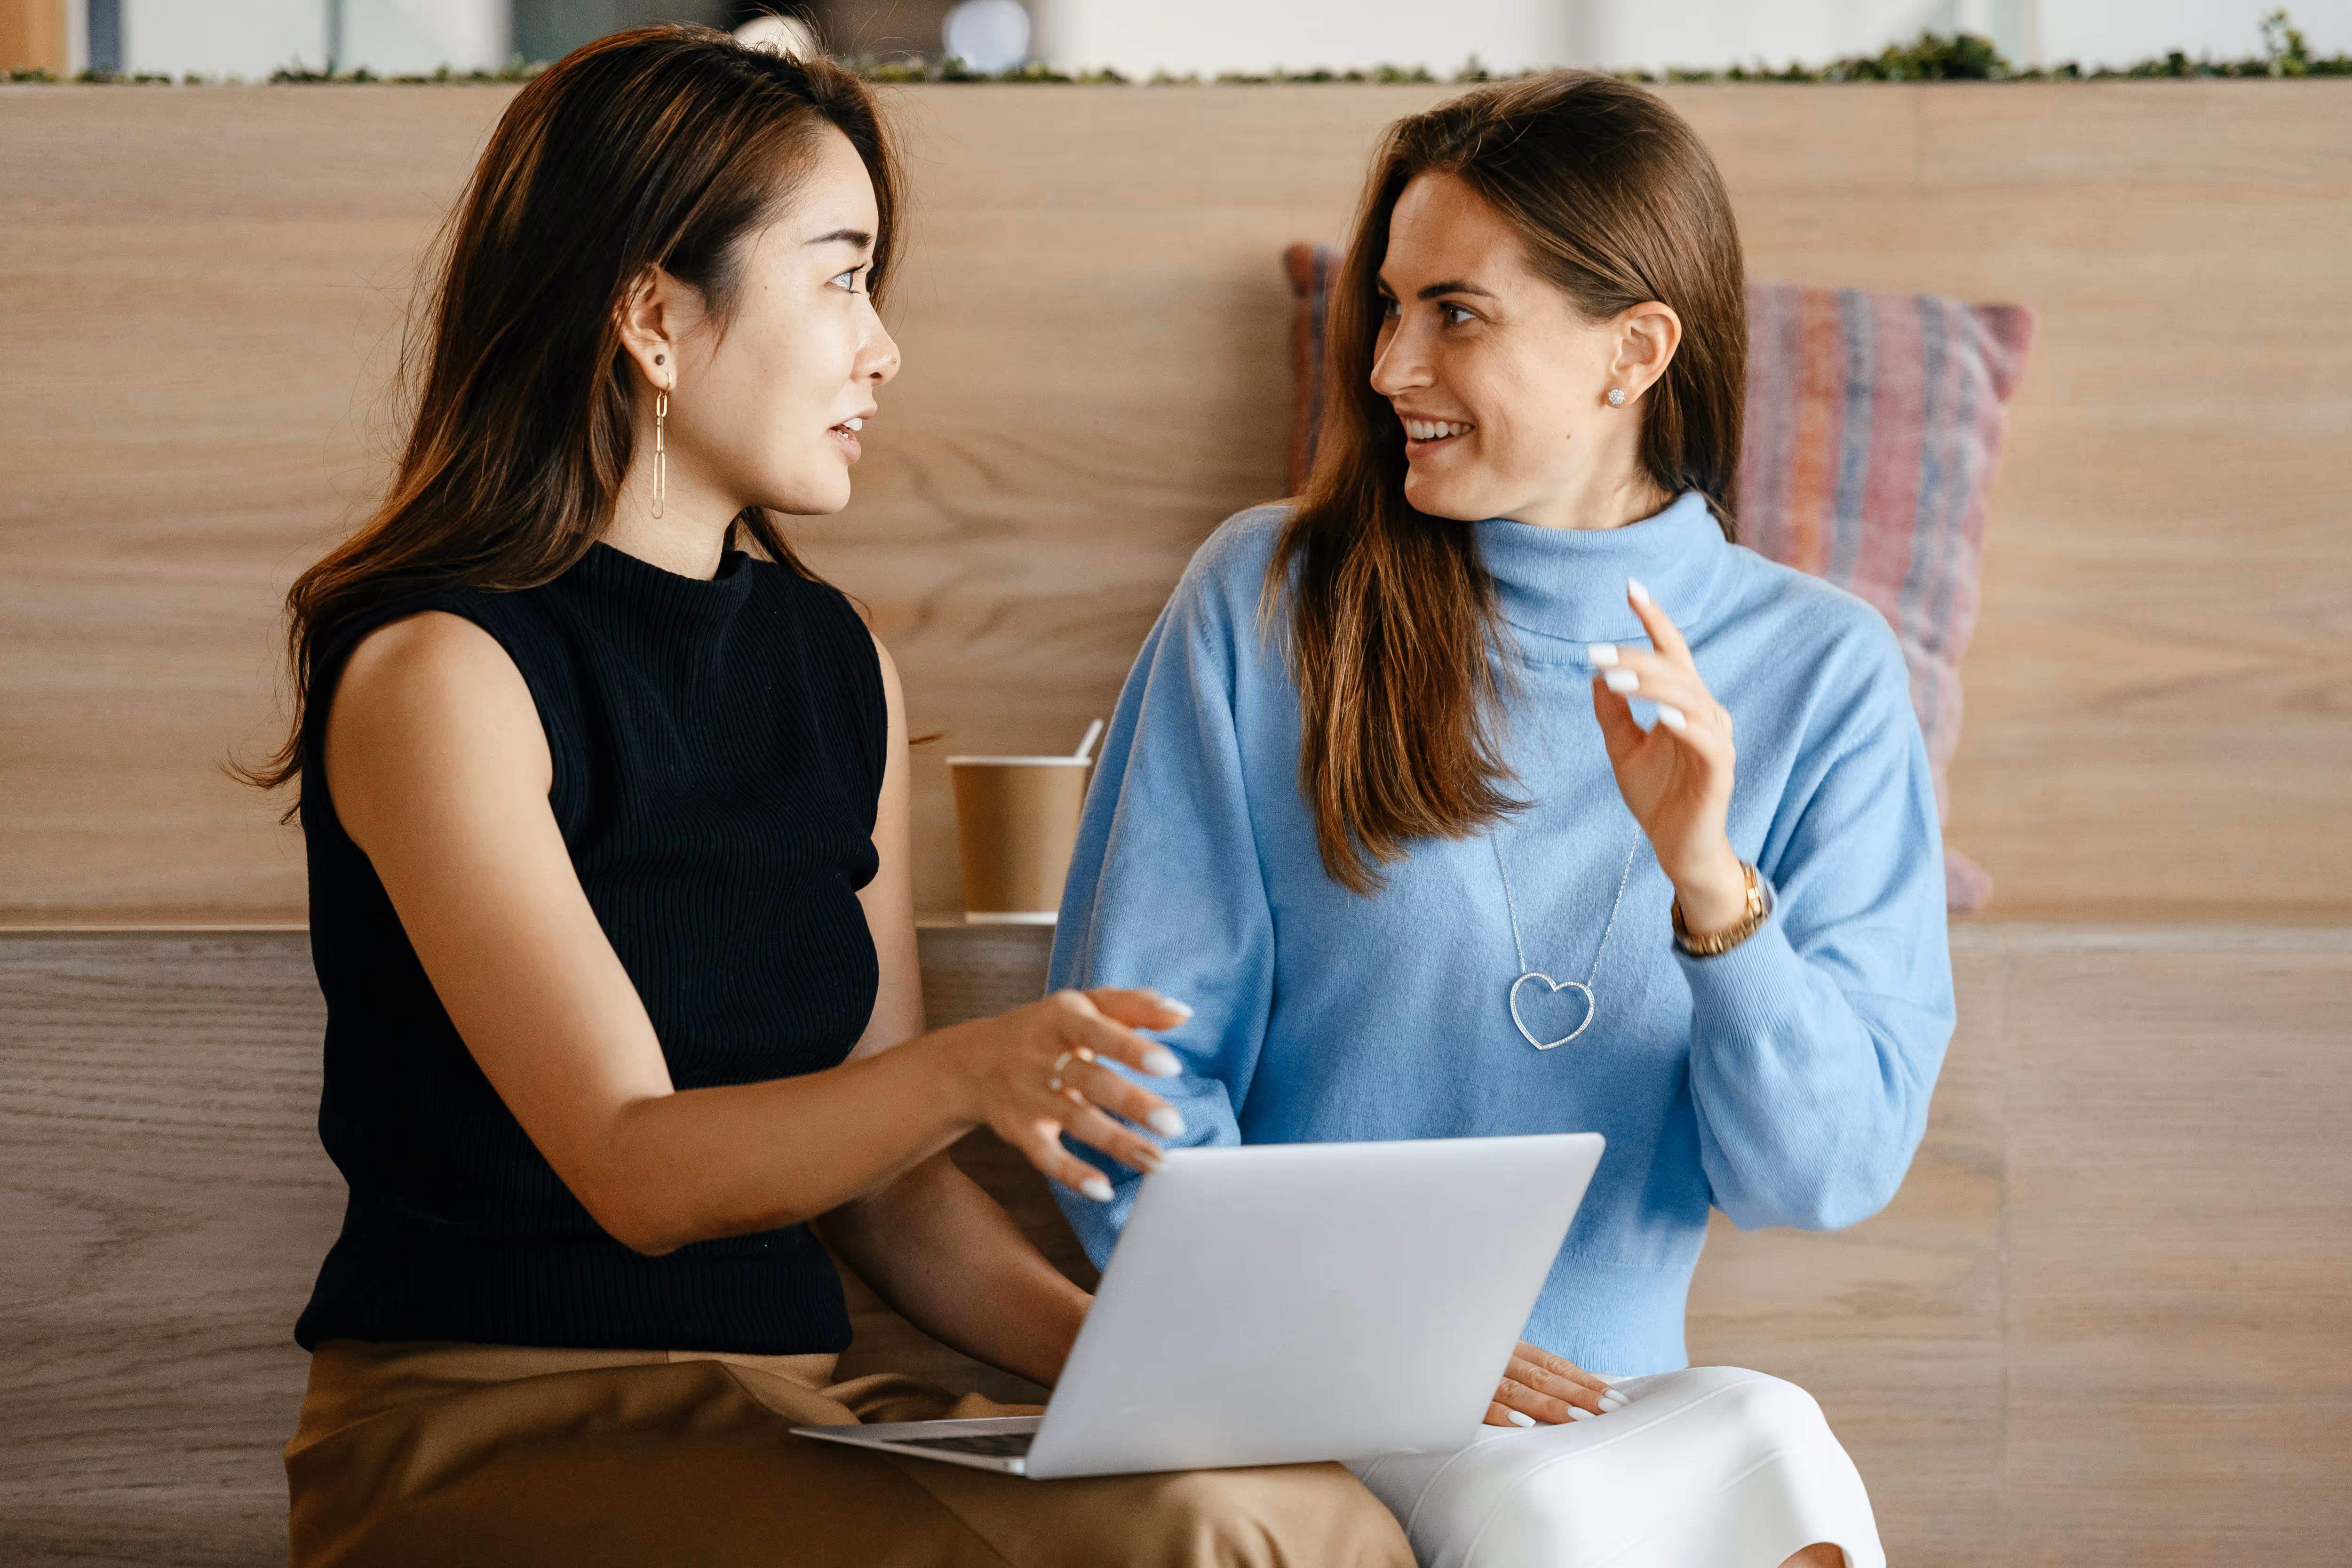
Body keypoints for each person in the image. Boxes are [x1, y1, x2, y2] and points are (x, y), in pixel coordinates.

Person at [239, 27, 1413, 1568]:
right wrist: (976, 1069)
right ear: (656, 316)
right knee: (1207, 1539)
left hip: (788, 1413)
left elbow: (896, 1203)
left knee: (1312, 1507)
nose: (884, 348)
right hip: (488, 1427)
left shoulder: (832, 659)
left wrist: (1195, 1383)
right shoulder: (442, 674)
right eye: (841, 275)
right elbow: (636, 1166)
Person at [1050, 72, 1955, 1568]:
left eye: (1456, 313)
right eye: (1387, 307)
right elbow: (1121, 1087)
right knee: (1561, 1506)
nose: (1392, 361)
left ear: (1635, 350)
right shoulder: (1269, 599)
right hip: (1309, 1389)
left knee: (1777, 1434)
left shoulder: (1826, 671)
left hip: (1613, 1398)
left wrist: (1708, 883)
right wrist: (1365, 1348)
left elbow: (1824, 1169)